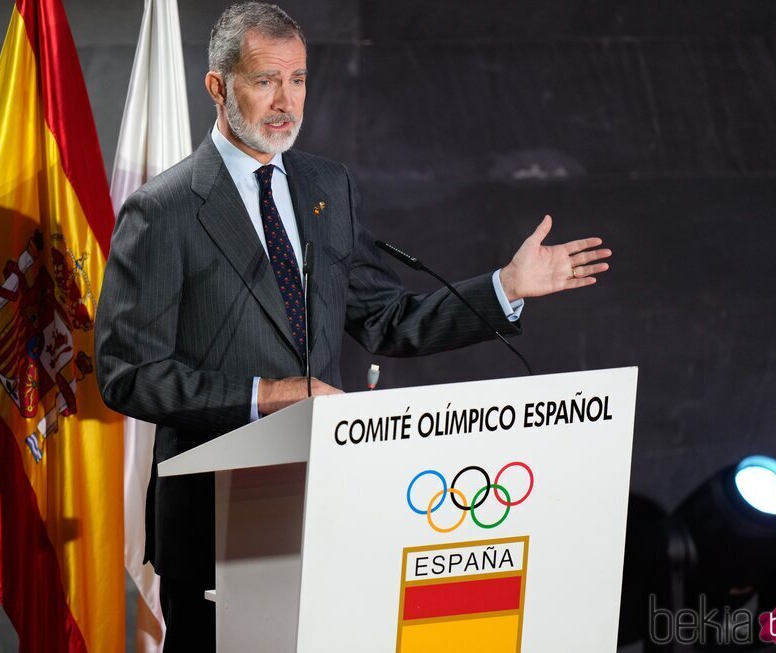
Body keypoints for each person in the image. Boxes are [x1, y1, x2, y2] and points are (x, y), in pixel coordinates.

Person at [95, 2, 611, 650]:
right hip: (216, 522)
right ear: (218, 87)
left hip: (325, 505)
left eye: (299, 79)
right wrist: (269, 394)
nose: (286, 100)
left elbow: (389, 318)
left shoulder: (325, 187)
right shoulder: (162, 210)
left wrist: (504, 288)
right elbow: (127, 374)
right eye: (265, 80)